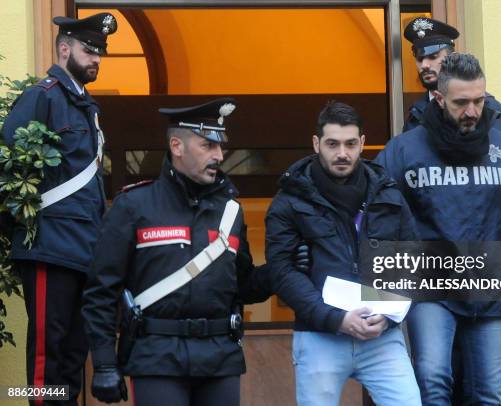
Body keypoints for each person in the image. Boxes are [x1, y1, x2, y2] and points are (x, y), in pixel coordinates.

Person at [80, 98, 292, 405]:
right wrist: (103, 363)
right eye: (208, 145)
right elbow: (101, 291)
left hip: (220, 358)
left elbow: (242, 286)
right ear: (177, 146)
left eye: (220, 147)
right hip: (156, 356)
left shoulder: (230, 212)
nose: (219, 155)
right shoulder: (133, 205)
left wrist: (281, 269)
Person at [375, 53, 501, 405]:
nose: (472, 111)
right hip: (433, 288)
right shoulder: (404, 150)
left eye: (478, 100)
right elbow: (378, 220)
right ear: (439, 99)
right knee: (434, 380)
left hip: (492, 288)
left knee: (487, 392)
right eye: (461, 102)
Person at [265, 101, 422, 406]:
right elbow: (282, 271)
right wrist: (335, 319)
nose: (342, 153)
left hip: (382, 336)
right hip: (320, 334)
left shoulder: (387, 193)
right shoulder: (290, 200)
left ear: (362, 142)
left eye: (350, 144)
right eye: (332, 144)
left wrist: (388, 317)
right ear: (316, 143)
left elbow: (412, 262)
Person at [1, 13, 117, 404]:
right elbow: (8, 167)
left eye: (100, 52)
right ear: (64, 49)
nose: (96, 58)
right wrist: (22, 233)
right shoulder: (42, 96)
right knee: (45, 361)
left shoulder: (88, 108)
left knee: (72, 359)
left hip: (85, 250)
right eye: (89, 50)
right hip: (50, 247)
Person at [402, 16, 501, 145]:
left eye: (433, 57)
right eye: (420, 59)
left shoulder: (487, 107)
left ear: (451, 57)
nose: (425, 65)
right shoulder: (417, 112)